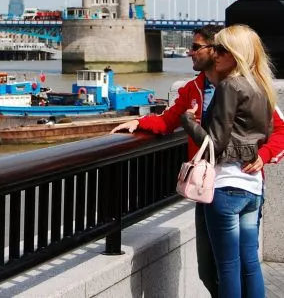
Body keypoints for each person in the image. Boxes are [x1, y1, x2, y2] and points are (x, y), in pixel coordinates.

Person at [111, 24, 284, 297]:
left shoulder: (241, 86)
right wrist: (139, 121)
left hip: (226, 185)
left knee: (227, 267)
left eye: (195, 47)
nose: (190, 53)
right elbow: (166, 121)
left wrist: (263, 155)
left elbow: (279, 131)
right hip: (211, 186)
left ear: (216, 51)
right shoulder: (193, 88)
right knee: (214, 268)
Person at [181, 25, 274, 297]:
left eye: (222, 49)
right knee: (250, 265)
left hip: (226, 187)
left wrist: (188, 120)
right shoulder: (261, 85)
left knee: (227, 268)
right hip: (253, 187)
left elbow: (215, 144)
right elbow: (263, 135)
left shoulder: (229, 86)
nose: (216, 53)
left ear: (237, 54)